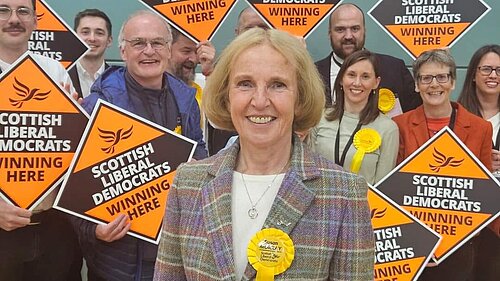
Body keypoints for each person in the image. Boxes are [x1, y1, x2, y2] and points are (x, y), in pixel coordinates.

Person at [153, 28, 374, 280]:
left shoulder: (344, 192)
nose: (259, 101)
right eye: (245, 84)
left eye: (277, 85)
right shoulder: (188, 183)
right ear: (227, 96)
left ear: (299, 98)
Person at [74, 10, 208, 281]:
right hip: (116, 261)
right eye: (138, 43)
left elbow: (200, 151)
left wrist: (200, 168)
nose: (149, 51)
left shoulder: (186, 99)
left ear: (169, 50)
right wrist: (93, 229)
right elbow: (71, 184)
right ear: (123, 51)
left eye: (158, 43)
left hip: (173, 250)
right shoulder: (96, 107)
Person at [393, 48, 493, 281]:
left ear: (453, 82)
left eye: (441, 77)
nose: (434, 84)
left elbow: (484, 190)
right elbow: (394, 186)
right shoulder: (398, 125)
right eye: (426, 78)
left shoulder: (480, 128)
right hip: (411, 242)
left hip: (460, 242)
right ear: (417, 85)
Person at [0, 0, 80, 280]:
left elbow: (68, 141)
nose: (14, 19)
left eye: (23, 11)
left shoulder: (54, 71)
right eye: (3, 10)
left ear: (36, 21)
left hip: (52, 226)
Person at [308, 50, 398, 185]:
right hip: (321, 204)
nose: (357, 83)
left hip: (363, 205)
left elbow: (382, 188)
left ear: (376, 82)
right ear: (341, 79)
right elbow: (309, 173)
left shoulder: (388, 129)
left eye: (365, 76)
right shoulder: (319, 118)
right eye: (351, 75)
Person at [316, 3, 421, 115]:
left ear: (364, 31)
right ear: (329, 33)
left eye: (355, 29)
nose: (348, 36)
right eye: (340, 29)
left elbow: (415, 117)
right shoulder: (313, 73)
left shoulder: (394, 69)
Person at [457, 44, 500, 281]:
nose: (493, 75)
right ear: (473, 74)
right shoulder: (456, 114)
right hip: (463, 220)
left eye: (499, 70)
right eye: (486, 69)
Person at [206, 6, 270, 156]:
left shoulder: (288, 65)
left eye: (262, 27)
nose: (255, 33)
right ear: (237, 33)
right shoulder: (220, 69)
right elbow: (214, 115)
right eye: (249, 28)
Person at [69, 8, 112, 98]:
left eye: (99, 33)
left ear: (109, 41)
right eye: (85, 32)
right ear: (74, 37)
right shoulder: (61, 76)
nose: (92, 38)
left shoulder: (120, 80)